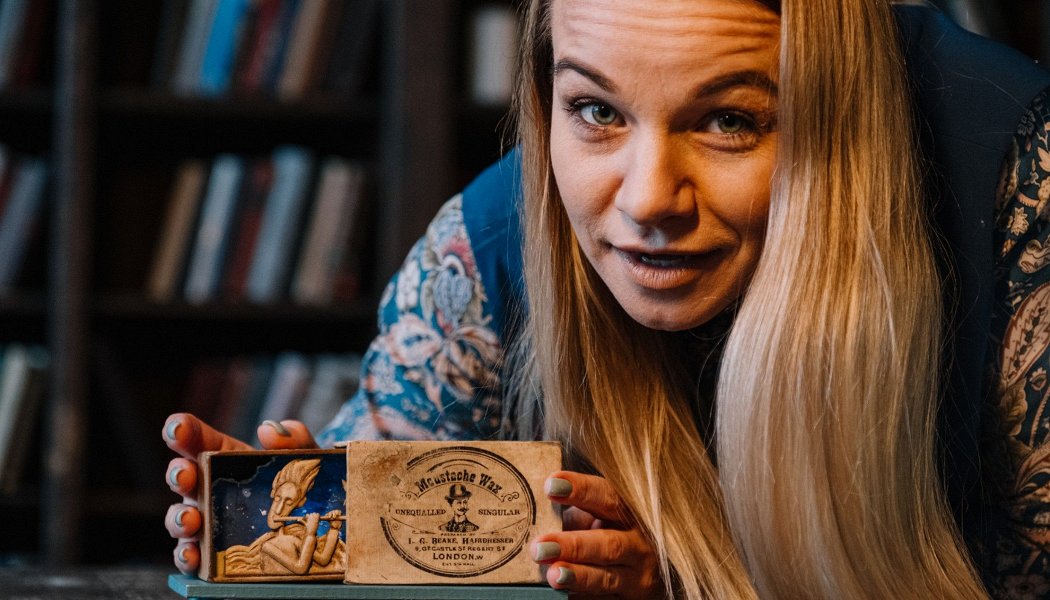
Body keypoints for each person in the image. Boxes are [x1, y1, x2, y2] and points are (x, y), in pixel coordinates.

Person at [163, 1, 1050, 597]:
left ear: (835, 116)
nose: (647, 201)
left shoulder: (1018, 184)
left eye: (729, 120)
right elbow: (378, 506)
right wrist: (307, 532)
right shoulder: (488, 244)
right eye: (596, 110)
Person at [220, 458, 346, 577]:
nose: (279, 510)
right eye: (278, 498)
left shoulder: (294, 538)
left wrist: (334, 529)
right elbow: (300, 568)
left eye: (289, 502)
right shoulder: (268, 546)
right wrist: (310, 533)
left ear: (299, 503)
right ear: (273, 493)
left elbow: (323, 560)